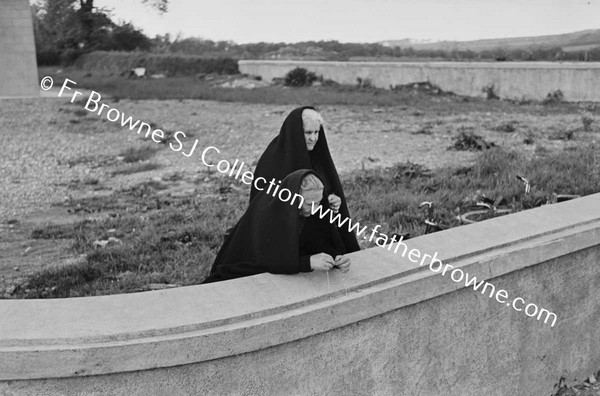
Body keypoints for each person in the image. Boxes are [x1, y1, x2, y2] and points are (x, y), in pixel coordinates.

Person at [203, 170, 351, 283]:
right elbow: (266, 259)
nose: (314, 209)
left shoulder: (310, 210)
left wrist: (335, 257)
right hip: (245, 264)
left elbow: (316, 240)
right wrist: (308, 262)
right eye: (309, 204)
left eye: (318, 202)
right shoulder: (269, 211)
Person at [250, 106, 360, 254]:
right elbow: (267, 210)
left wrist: (332, 202)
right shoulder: (274, 159)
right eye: (308, 132)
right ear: (295, 132)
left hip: (317, 236)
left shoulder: (318, 157)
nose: (313, 138)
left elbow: (326, 193)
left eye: (316, 132)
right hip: (286, 242)